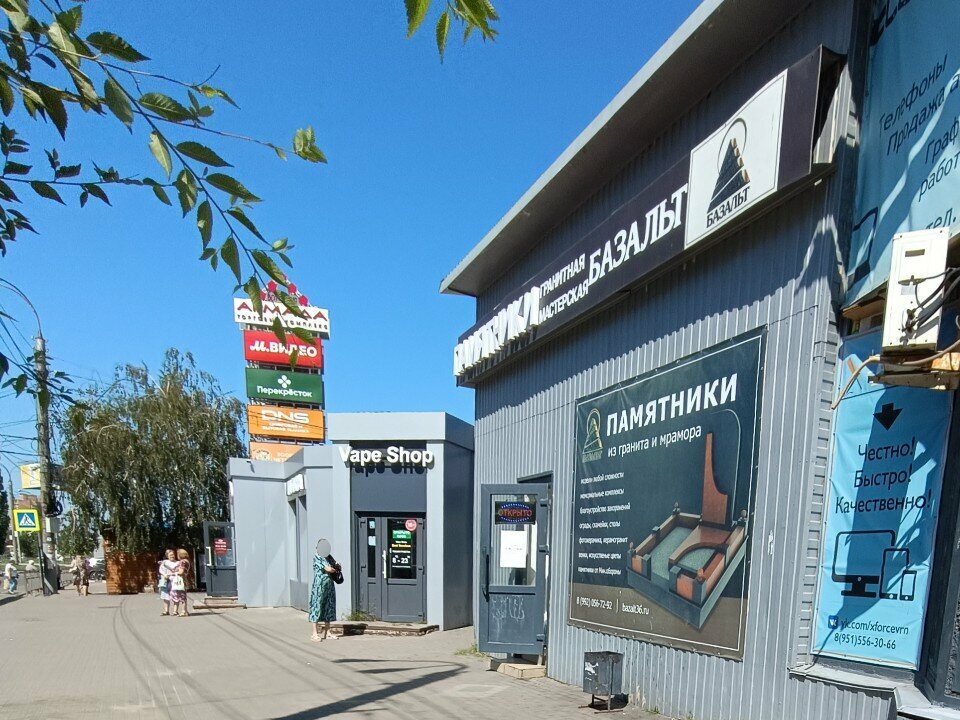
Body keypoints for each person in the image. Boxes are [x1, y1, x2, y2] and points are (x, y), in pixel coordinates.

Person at [308, 539, 340, 641]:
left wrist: (336, 567)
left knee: (328, 607)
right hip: (319, 586)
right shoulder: (317, 557)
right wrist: (333, 569)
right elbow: (328, 569)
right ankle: (314, 633)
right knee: (316, 607)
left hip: (329, 585)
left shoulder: (329, 557)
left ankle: (328, 632)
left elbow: (336, 566)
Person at [170, 548, 191, 617]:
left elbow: (181, 572)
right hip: (184, 580)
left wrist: (174, 573)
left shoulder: (182, 562)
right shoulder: (187, 561)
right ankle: (185, 611)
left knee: (182, 596)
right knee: (183, 595)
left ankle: (183, 612)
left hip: (180, 580)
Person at [158, 549, 178, 616]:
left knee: (175, 596)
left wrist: (173, 574)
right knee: (165, 596)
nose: (172, 556)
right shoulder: (164, 562)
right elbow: (160, 570)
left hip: (174, 581)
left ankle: (175, 611)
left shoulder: (178, 563)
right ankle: (166, 611)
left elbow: (178, 571)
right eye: (170, 555)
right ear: (167, 556)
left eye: (173, 554)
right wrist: (164, 575)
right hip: (165, 581)